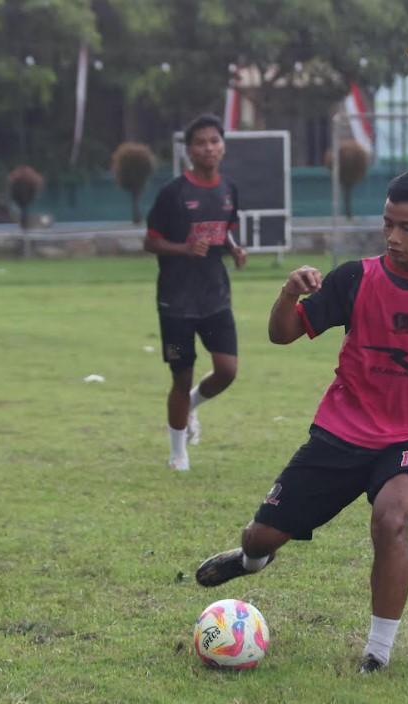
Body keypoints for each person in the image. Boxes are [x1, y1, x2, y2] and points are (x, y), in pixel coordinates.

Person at [195, 172, 408, 673]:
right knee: (259, 537)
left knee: (392, 520)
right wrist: (288, 294)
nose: (394, 238)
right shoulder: (355, 278)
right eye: (388, 224)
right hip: (338, 433)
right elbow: (282, 334)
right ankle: (250, 561)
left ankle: (378, 651)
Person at [144, 113, 247, 472]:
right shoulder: (173, 193)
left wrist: (233, 248)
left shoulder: (228, 189)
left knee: (227, 370)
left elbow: (227, 228)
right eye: (201, 142)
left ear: (223, 146)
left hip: (214, 297)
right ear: (189, 150)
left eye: (215, 141)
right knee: (181, 373)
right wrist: (184, 249)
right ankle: (178, 453)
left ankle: (190, 406)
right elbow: (150, 242)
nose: (209, 148)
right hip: (175, 304)